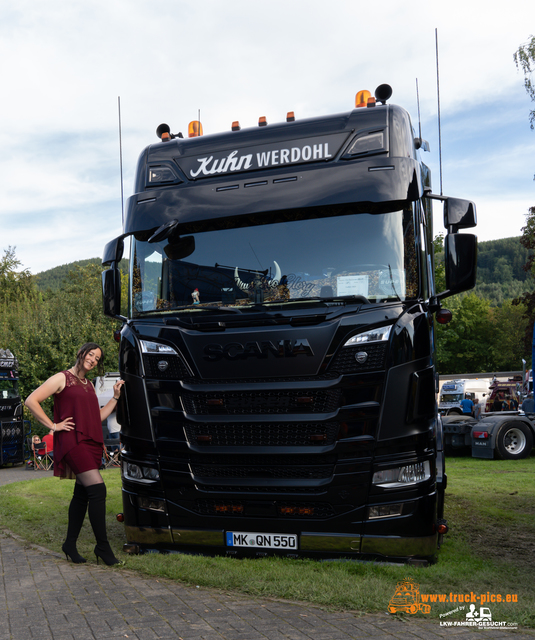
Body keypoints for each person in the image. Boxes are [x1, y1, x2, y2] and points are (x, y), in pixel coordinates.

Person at [25, 342, 125, 566]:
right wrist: (54, 426)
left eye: (97, 358)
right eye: (91, 355)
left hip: (90, 441)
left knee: (82, 494)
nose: (93, 360)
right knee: (98, 489)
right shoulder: (62, 378)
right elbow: (31, 400)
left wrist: (115, 397)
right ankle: (103, 547)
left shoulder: (88, 384)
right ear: (81, 353)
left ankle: (69, 544)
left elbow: (96, 418)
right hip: (72, 442)